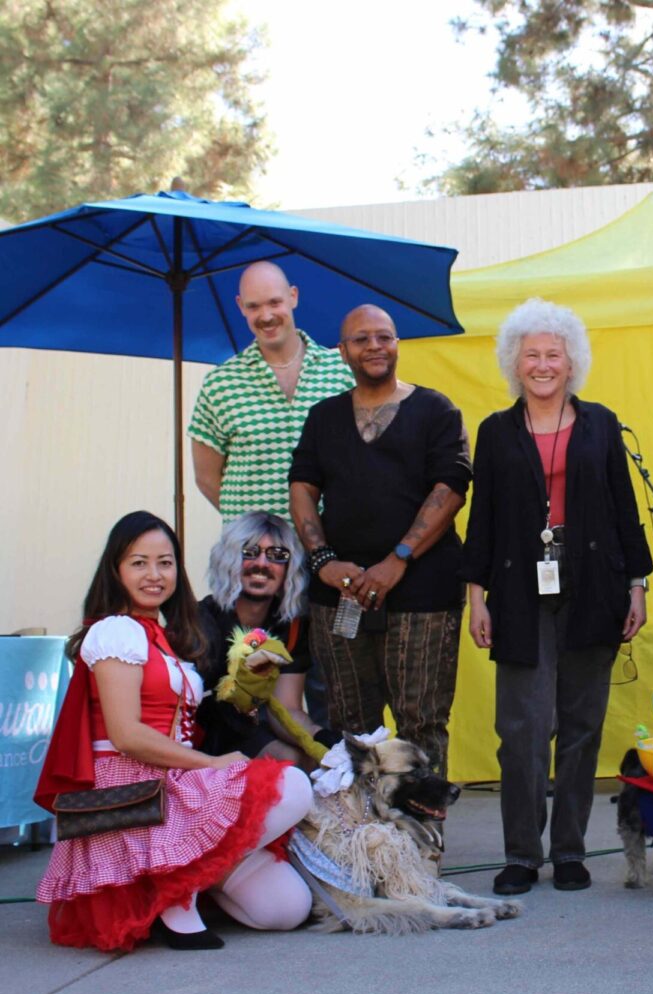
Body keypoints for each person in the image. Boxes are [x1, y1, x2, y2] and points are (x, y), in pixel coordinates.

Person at [34, 511, 313, 952]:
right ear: (115, 570)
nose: (154, 575)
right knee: (292, 783)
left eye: (165, 562)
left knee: (286, 908)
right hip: (138, 787)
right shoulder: (116, 632)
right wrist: (212, 764)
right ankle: (177, 890)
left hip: (174, 778)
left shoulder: (164, 635)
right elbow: (126, 735)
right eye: (139, 563)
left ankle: (197, 878)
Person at [462, 298, 653, 896]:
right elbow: (483, 520)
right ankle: (522, 853)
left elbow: (625, 510)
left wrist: (638, 586)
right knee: (521, 729)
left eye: (554, 354)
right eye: (531, 355)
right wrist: (476, 596)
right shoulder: (495, 432)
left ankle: (569, 849)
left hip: (594, 586)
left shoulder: (601, 423)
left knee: (580, 726)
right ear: (514, 366)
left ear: (572, 363)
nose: (543, 365)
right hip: (520, 591)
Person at [289, 303, 471, 774]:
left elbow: (450, 489)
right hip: (340, 597)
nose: (375, 346)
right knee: (351, 725)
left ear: (396, 344)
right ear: (342, 351)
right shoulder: (323, 417)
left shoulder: (436, 410)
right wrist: (324, 561)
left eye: (384, 336)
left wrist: (399, 559)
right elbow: (302, 488)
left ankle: (421, 843)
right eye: (362, 338)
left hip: (423, 596)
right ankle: (362, 845)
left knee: (422, 721)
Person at [189, 260, 355, 521]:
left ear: (293, 297)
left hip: (332, 548)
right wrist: (254, 529)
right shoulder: (219, 384)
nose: (266, 316)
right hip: (255, 556)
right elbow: (206, 478)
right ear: (240, 306)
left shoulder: (343, 370)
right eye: (254, 306)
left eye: (274, 302)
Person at [194, 511, 338, 767]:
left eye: (277, 556)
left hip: (248, 728)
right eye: (249, 552)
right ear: (228, 559)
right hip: (199, 736)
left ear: (289, 568)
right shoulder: (197, 621)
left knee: (312, 760)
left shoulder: (290, 627)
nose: (262, 563)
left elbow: (287, 709)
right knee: (289, 761)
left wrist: (322, 738)